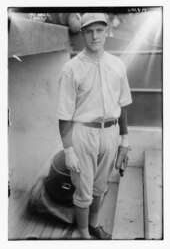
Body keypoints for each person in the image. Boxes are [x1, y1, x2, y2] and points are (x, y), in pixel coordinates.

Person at [56, 13, 132, 239]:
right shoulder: (71, 68)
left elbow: (123, 104)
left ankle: (94, 224)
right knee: (83, 191)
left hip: (110, 132)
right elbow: (64, 115)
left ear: (107, 31)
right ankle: (82, 234)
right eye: (89, 31)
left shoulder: (117, 65)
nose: (94, 36)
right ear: (82, 33)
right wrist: (68, 150)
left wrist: (125, 140)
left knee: (100, 187)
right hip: (83, 134)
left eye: (99, 30)